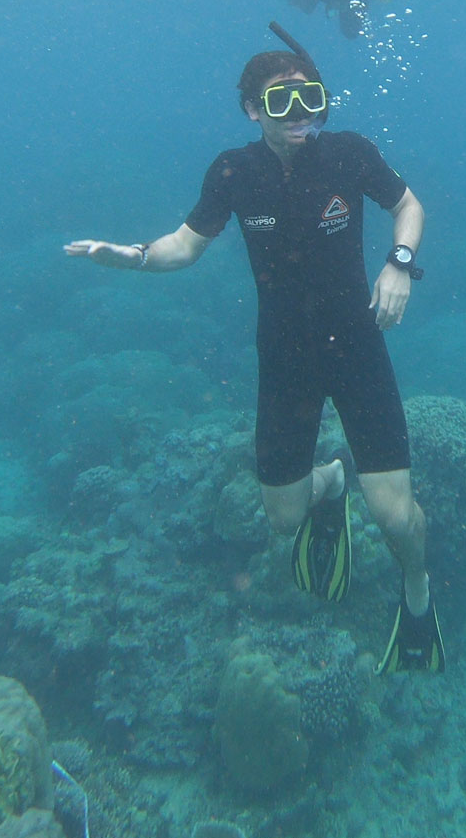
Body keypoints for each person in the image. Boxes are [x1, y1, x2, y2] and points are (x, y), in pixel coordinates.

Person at [65, 34, 444, 672]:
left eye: (310, 99)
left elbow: (407, 206)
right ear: (251, 109)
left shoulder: (349, 155)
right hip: (285, 355)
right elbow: (184, 246)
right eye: (281, 100)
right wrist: (130, 257)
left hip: (356, 346)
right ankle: (327, 485)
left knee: (394, 515)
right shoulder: (233, 172)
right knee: (279, 519)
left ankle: (417, 595)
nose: (299, 112)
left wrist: (400, 264)